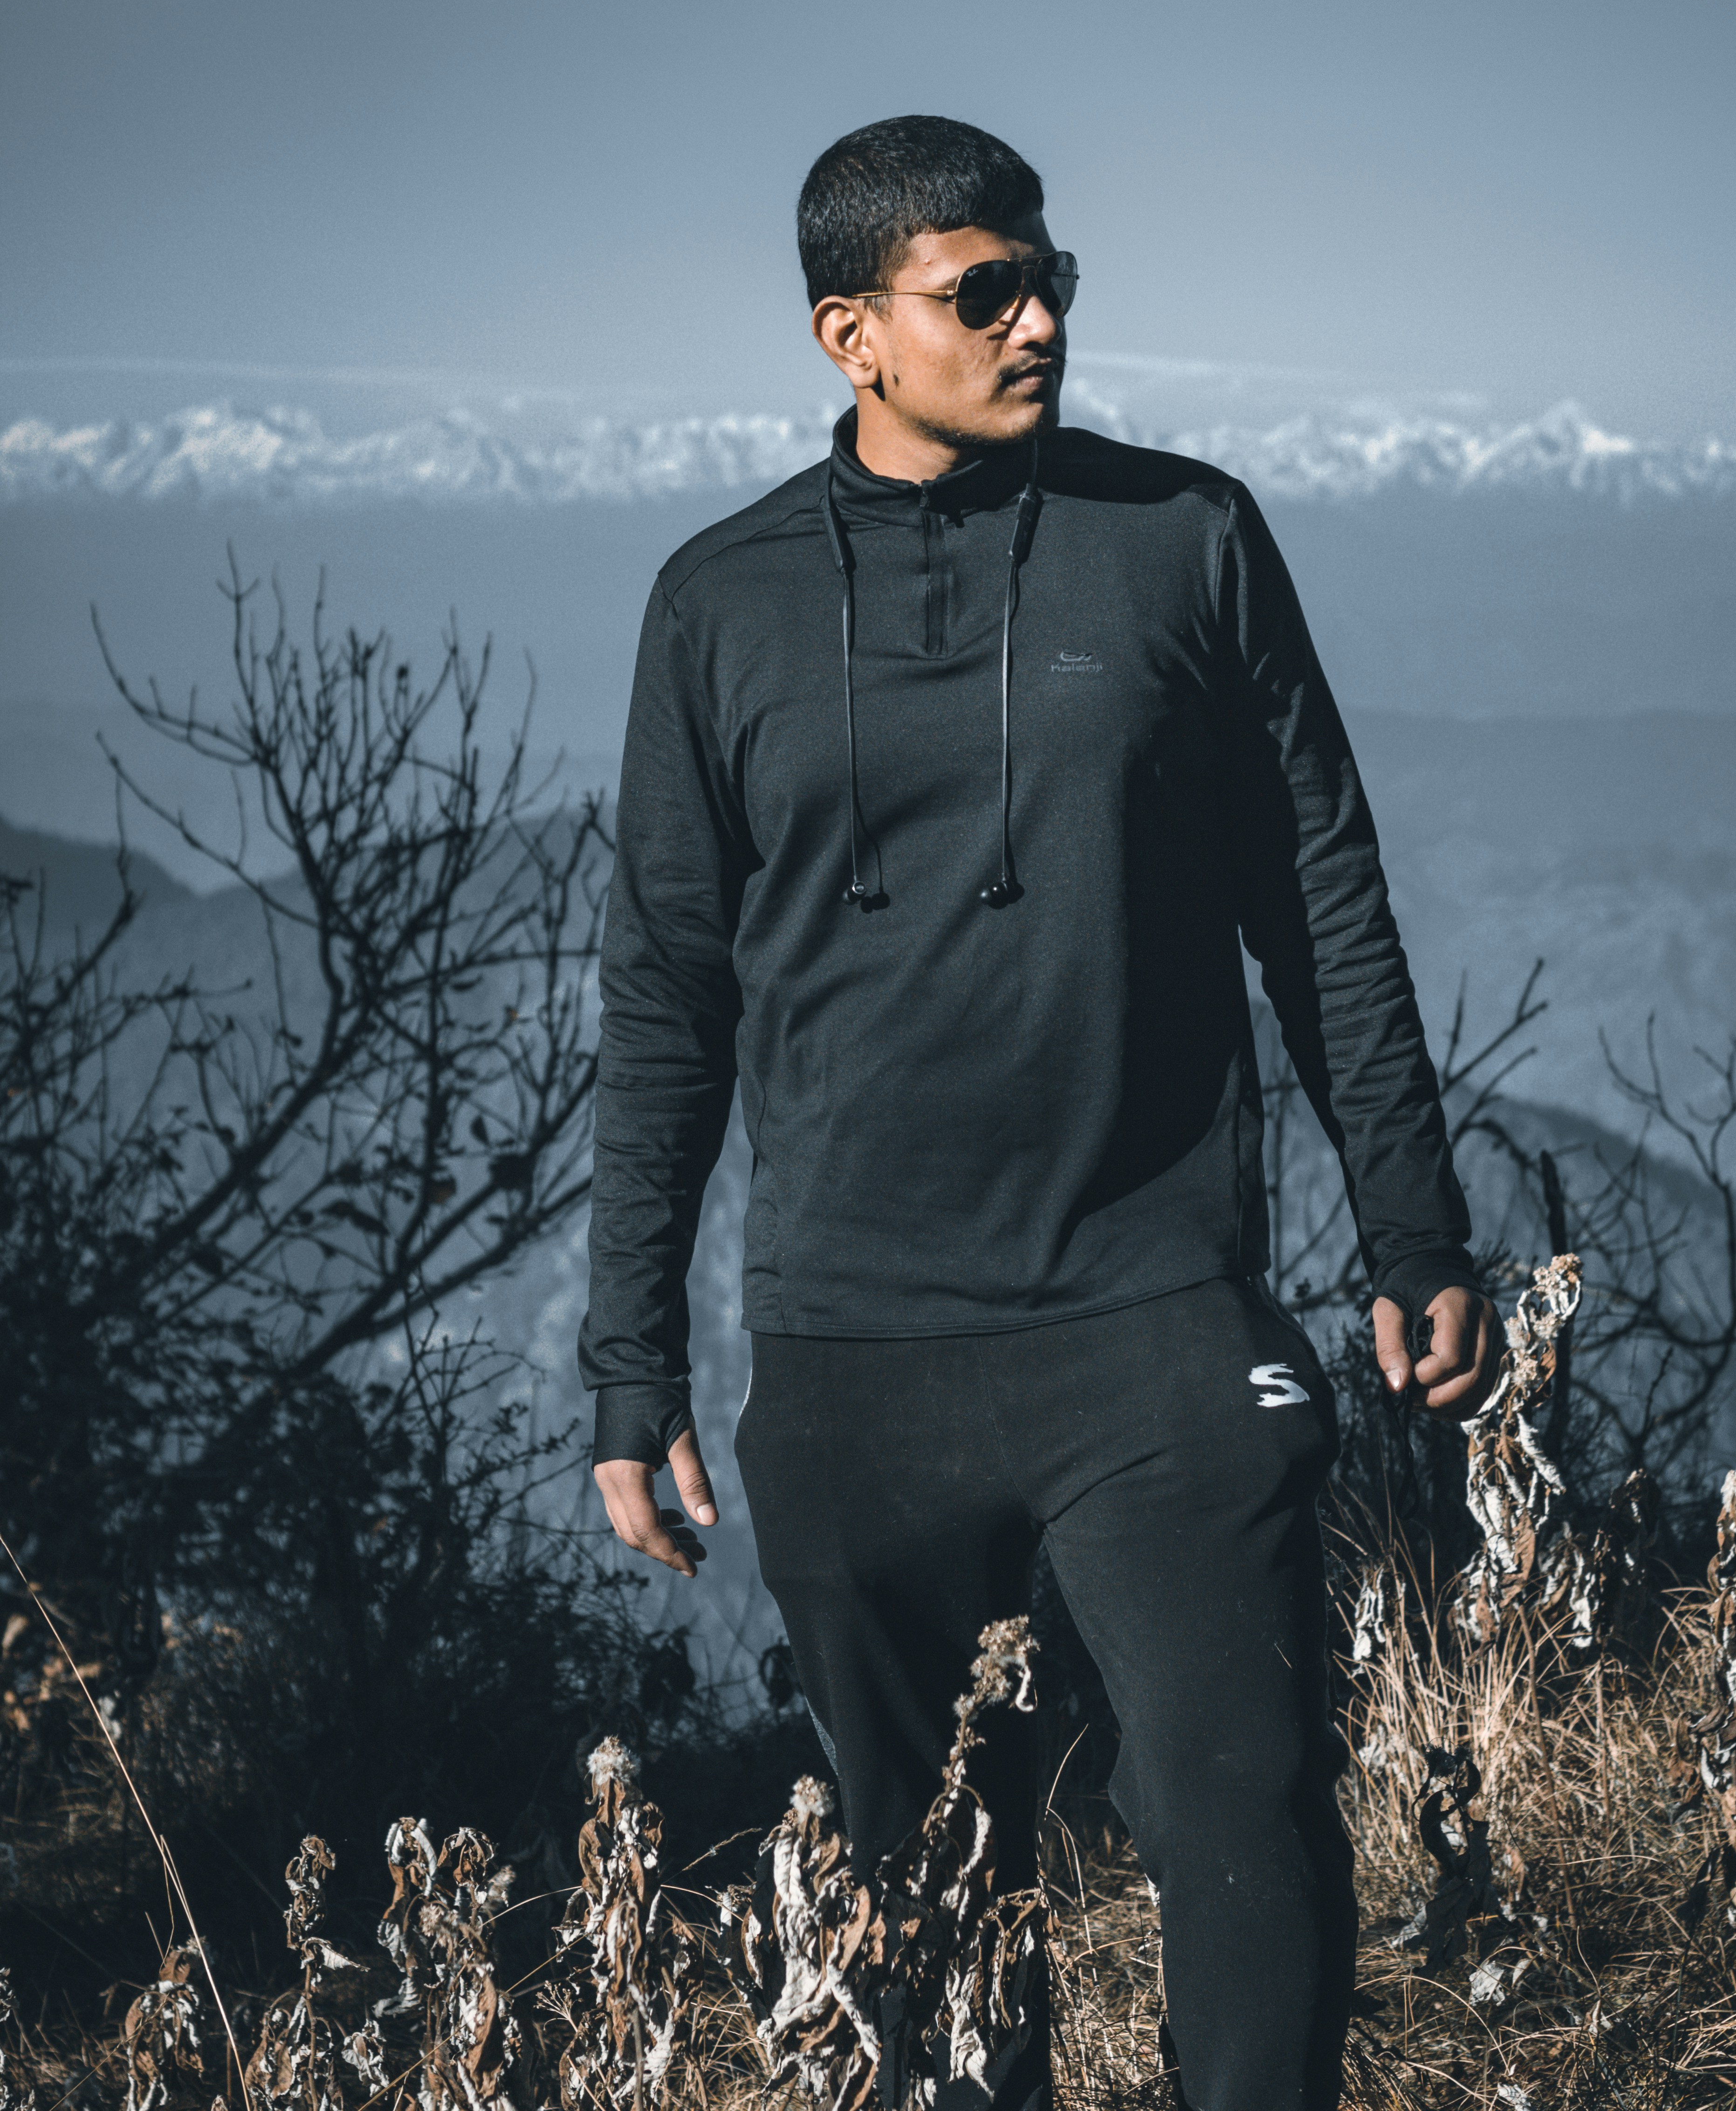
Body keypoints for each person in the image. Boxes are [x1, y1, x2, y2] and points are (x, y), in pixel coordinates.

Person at [582, 115, 1499, 2111]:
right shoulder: (715, 604)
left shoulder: (1185, 537)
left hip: (1156, 1316)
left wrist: (1411, 1226)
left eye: (1047, 276)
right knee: (931, 1897)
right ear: (852, 333)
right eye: (977, 290)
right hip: (851, 1353)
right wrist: (626, 1363)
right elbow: (664, 985)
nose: (1035, 318)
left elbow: (1319, 893)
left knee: (1244, 1813)